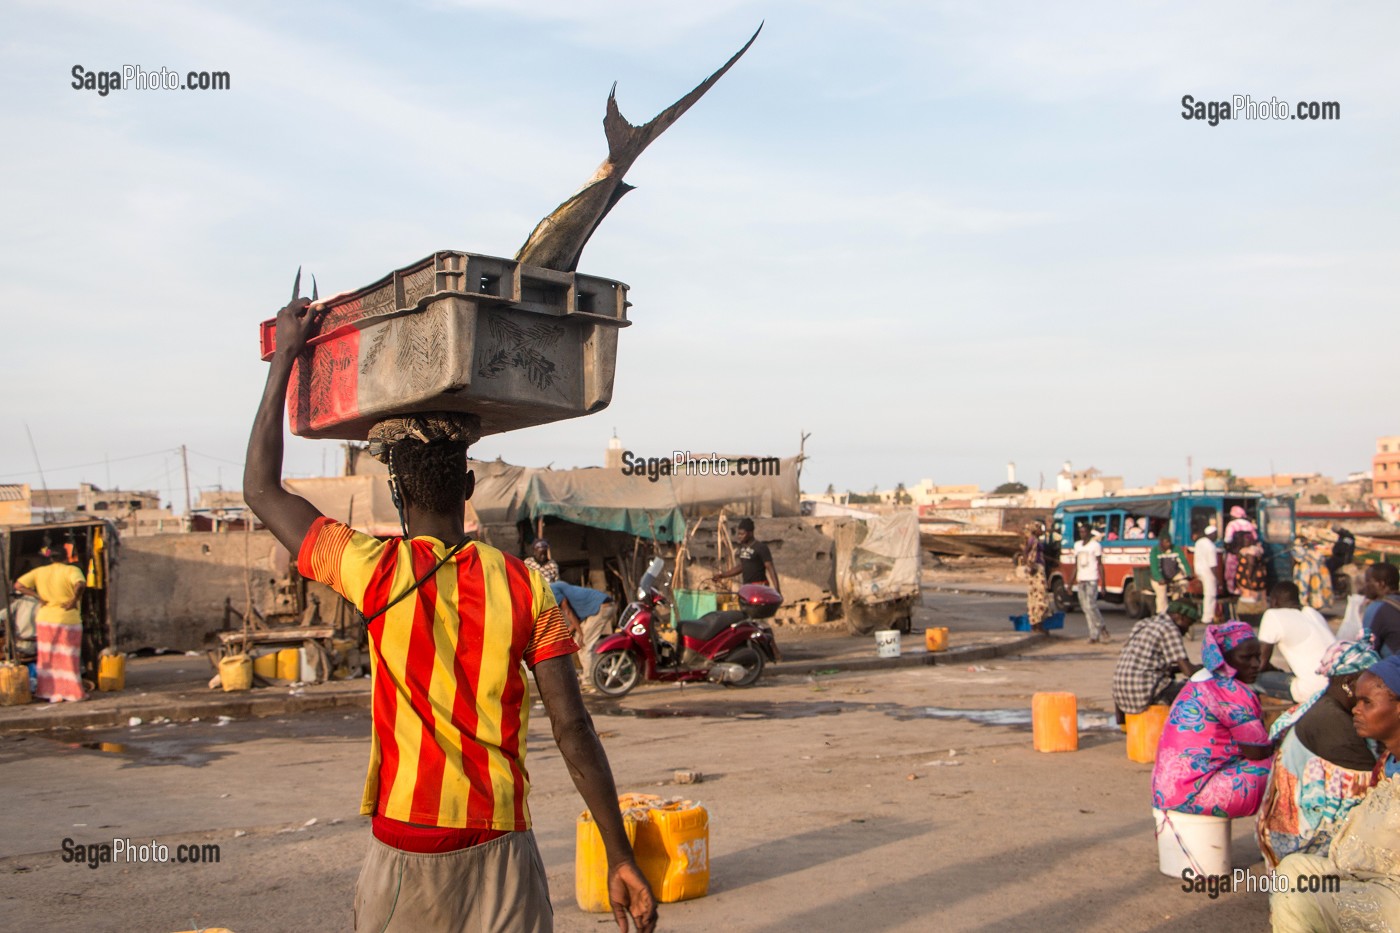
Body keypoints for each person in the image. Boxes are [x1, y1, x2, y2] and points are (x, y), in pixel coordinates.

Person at [244, 296, 656, 933]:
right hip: (501, 844)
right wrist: (619, 853)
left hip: (407, 840)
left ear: (397, 491)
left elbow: (262, 491)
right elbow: (574, 729)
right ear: (469, 489)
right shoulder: (528, 587)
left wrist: (286, 363)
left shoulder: (371, 568)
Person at [1270, 655, 1400, 930]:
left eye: (1367, 702)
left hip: (1393, 893)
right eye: (1357, 700)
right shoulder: (1387, 762)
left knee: (1299, 901)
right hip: (1364, 873)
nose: (1356, 709)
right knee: (1292, 870)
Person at [1255, 641, 1380, 869]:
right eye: (1373, 684)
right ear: (1350, 684)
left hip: (1289, 831)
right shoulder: (1332, 720)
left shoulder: (1330, 705)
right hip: (1299, 841)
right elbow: (1375, 786)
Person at [1151, 621, 1274, 818]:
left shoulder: (1202, 680)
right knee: (1285, 766)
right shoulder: (1232, 692)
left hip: (1167, 791)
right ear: (1224, 658)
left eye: (1258, 656)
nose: (1255, 664)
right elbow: (1256, 751)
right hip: (1195, 795)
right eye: (1246, 657)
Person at [13, 544, 87, 703]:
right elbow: (80, 584)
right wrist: (74, 600)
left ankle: (49, 692)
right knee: (68, 657)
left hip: (45, 620)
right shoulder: (71, 570)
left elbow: (18, 585)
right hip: (67, 619)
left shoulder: (40, 572)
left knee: (48, 657)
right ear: (66, 557)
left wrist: (38, 597)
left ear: (50, 558)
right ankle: (72, 693)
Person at [1112, 600, 1201, 724]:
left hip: (1121, 692)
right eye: (1188, 624)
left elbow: (1150, 665)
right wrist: (1205, 668)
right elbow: (1189, 671)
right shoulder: (1170, 628)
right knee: (1197, 690)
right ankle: (1184, 732)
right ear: (1180, 617)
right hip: (1143, 693)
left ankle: (1124, 727)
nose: (1187, 630)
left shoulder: (1144, 623)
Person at [1256, 581, 1338, 703]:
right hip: (1336, 686)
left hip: (1313, 689)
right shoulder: (1313, 613)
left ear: (1274, 601)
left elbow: (1260, 664)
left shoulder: (1273, 615)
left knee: (1249, 679)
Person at [551, 580, 617, 692]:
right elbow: (575, 621)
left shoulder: (551, 589)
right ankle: (591, 675)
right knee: (579, 643)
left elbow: (568, 611)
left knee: (584, 645)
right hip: (600, 606)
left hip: (602, 606)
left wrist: (581, 634)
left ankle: (590, 682)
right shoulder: (559, 587)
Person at [713, 517, 780, 592]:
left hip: (760, 586)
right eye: (738, 534)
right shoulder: (743, 548)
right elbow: (742, 566)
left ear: (750, 533)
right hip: (747, 587)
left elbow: (770, 568)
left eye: (742, 534)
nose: (739, 536)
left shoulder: (761, 547)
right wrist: (723, 575)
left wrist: (777, 589)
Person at [1070, 526, 1109, 643]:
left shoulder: (1095, 546)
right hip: (1081, 579)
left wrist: (1103, 584)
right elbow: (1075, 565)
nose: (1082, 534)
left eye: (1084, 532)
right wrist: (1069, 583)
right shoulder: (1077, 545)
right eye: (1080, 532)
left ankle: (1102, 626)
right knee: (1085, 608)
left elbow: (1100, 565)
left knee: (1091, 606)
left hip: (1092, 579)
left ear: (1089, 533)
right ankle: (1094, 635)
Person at [1017, 522, 1051, 633]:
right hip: (1036, 569)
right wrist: (1030, 565)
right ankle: (1037, 623)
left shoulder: (1034, 540)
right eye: (1040, 529)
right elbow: (1025, 552)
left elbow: (1036, 553)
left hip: (1037, 568)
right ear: (1035, 530)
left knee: (1035, 596)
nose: (1042, 531)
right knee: (1040, 596)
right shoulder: (1033, 540)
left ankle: (1036, 623)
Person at [1362, 562, 1400, 658]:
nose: (1364, 586)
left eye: (1368, 581)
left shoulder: (1377, 608)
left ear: (1381, 584)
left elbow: (1367, 649)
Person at [1149, 532, 1192, 615]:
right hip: (1158, 578)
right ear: (1161, 542)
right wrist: (1159, 578)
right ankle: (1162, 613)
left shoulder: (1176, 549)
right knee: (1162, 593)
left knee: (1183, 584)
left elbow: (1183, 562)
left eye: (1169, 542)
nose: (1168, 544)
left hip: (1173, 575)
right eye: (1166, 542)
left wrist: (1188, 573)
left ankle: (1176, 608)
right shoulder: (1155, 551)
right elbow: (1154, 567)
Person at [1194, 523, 1220, 624]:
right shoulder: (1211, 546)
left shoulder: (1199, 542)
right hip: (1208, 572)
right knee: (1210, 595)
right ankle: (1207, 617)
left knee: (1207, 594)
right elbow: (1212, 565)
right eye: (1216, 534)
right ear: (1212, 534)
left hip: (1199, 570)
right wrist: (1217, 578)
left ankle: (1207, 616)